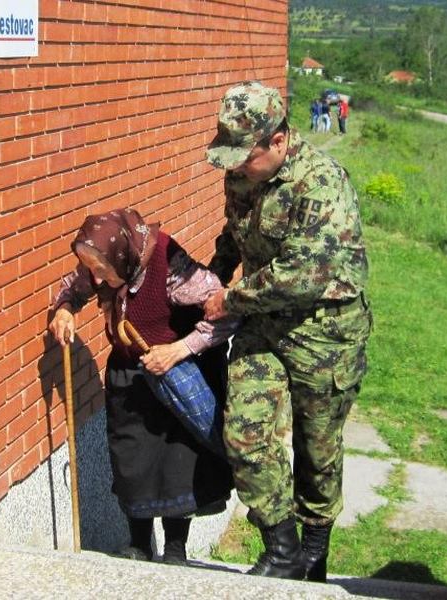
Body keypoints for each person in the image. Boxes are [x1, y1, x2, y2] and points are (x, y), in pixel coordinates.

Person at [203, 81, 373, 581]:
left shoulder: (321, 183)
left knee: (317, 450)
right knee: (246, 434)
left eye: (244, 158)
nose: (235, 168)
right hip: (263, 325)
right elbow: (235, 229)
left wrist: (228, 299)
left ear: (277, 141)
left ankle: (314, 556)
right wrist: (217, 269)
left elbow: (303, 275)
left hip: (325, 333)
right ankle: (281, 550)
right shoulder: (241, 172)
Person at [48, 209, 235, 565]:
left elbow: (227, 313)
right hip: (129, 375)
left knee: (178, 462)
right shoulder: (106, 258)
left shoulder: (171, 267)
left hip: (175, 373)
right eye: (93, 269)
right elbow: (74, 286)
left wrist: (179, 350)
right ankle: (140, 545)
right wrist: (64, 309)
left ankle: (176, 551)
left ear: (123, 255)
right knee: (132, 460)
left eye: (102, 270)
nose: (97, 278)